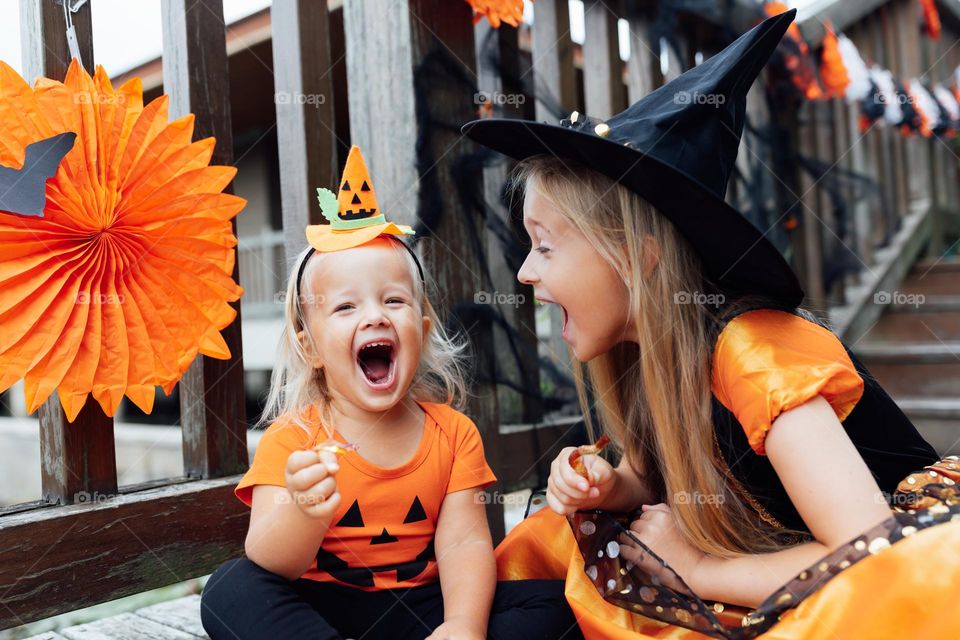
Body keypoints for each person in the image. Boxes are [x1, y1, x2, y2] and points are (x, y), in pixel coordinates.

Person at [462, 8, 960, 639]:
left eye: (545, 245)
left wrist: (697, 567)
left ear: (636, 260)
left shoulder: (755, 353)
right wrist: (614, 485)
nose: (526, 272)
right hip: (794, 557)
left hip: (900, 576)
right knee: (557, 546)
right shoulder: (653, 353)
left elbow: (873, 557)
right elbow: (663, 471)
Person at [200, 146, 582, 640]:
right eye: (344, 308)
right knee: (230, 589)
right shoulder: (295, 441)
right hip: (323, 609)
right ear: (310, 346)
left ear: (420, 330)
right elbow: (274, 560)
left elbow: (465, 545)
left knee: (560, 603)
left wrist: (463, 626)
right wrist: (302, 510)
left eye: (394, 300)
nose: (375, 316)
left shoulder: (453, 434)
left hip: (422, 611)